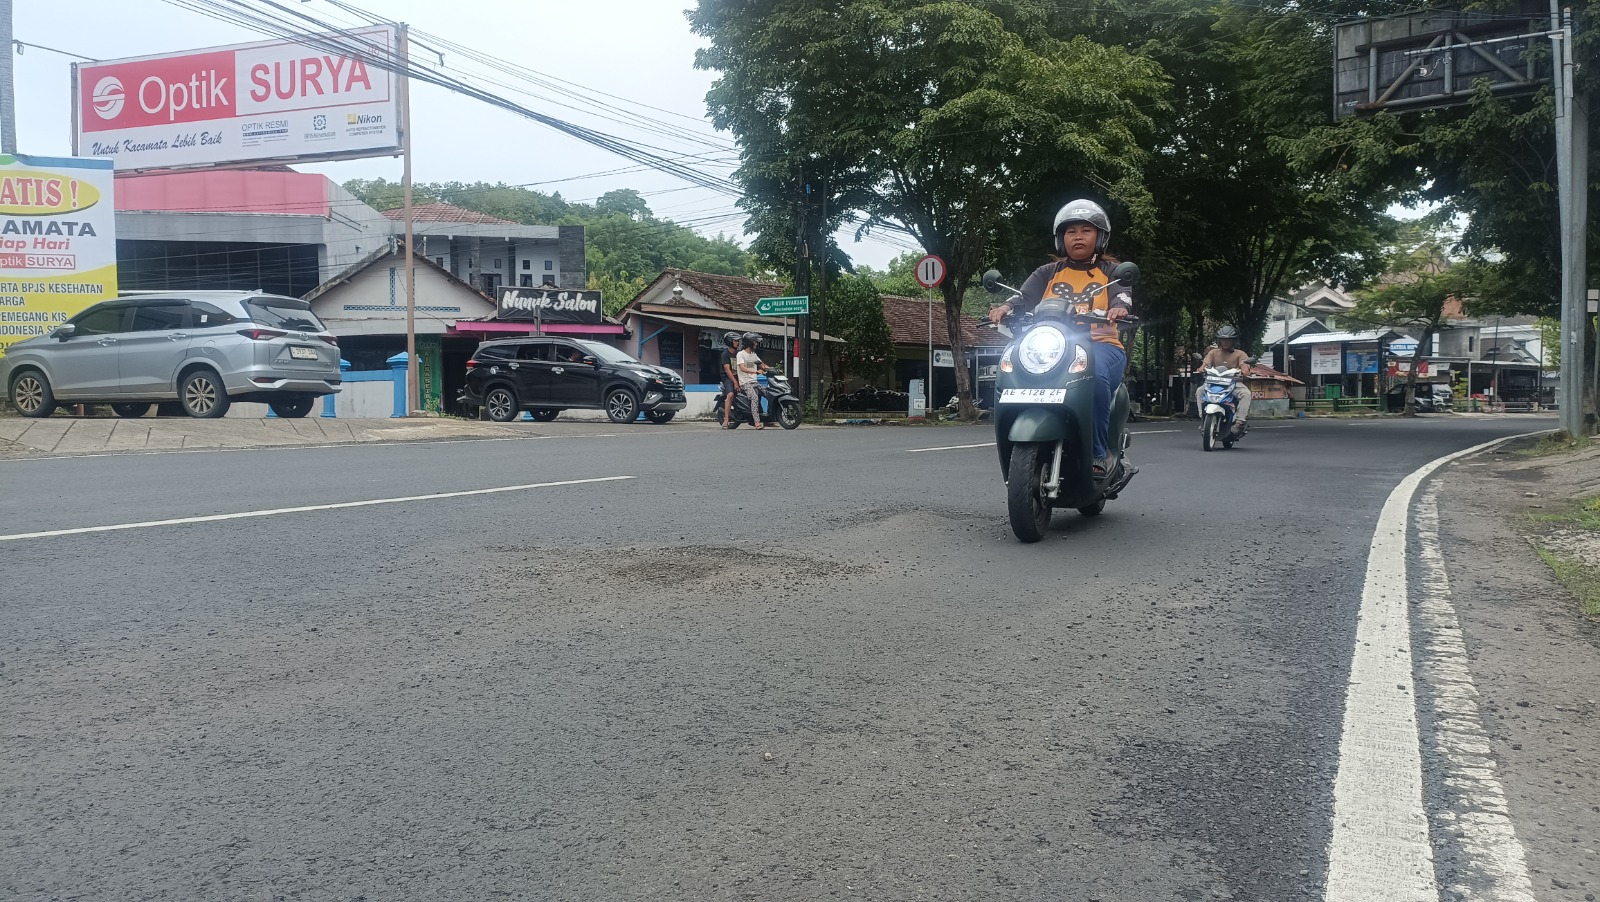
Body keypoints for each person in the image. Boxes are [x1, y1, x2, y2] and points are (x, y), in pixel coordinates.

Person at [988, 199, 1131, 476]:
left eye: (1086, 230)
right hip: (1055, 348)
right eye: (1070, 231)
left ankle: (1098, 455)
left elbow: (1122, 296)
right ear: (1060, 238)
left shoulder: (1113, 273)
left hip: (1101, 346)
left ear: (1100, 236)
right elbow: (1023, 296)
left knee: (1096, 376)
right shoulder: (1047, 272)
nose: (1078, 236)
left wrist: (1119, 308)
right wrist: (1004, 308)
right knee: (1011, 368)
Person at [1195, 325, 1252, 434]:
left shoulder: (1240, 354)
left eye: (1229, 340)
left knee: (1246, 394)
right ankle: (1203, 417)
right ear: (1219, 340)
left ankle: (1240, 422)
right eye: (1223, 339)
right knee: (1200, 391)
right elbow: (1206, 364)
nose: (1226, 342)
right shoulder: (1213, 352)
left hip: (1234, 383)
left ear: (1234, 341)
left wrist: (1245, 371)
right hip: (1214, 383)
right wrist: (1202, 369)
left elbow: (1244, 366)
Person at [736, 332, 769, 429]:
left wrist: (773, 370)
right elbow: (742, 368)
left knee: (768, 394)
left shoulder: (754, 355)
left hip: (755, 382)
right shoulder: (740, 354)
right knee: (754, 398)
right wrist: (756, 372)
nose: (756, 344)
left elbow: (762, 365)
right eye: (755, 342)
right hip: (745, 383)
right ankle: (757, 422)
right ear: (750, 342)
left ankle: (768, 420)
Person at [719, 331, 741, 428]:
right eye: (735, 341)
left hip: (738, 376)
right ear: (730, 342)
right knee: (730, 394)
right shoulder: (725, 354)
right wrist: (735, 382)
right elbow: (727, 370)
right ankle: (726, 420)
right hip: (727, 378)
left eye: (738, 341)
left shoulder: (739, 354)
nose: (737, 343)